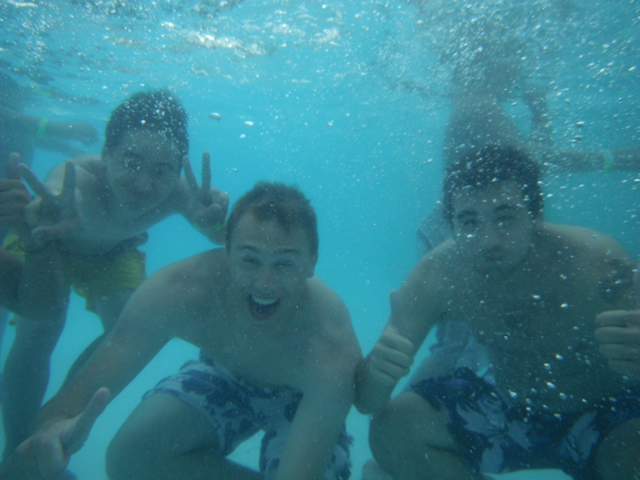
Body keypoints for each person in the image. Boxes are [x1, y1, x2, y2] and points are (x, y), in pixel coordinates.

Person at [2, 182, 362, 480]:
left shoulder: (330, 345)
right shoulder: (179, 291)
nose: (265, 283)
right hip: (224, 372)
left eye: (284, 264)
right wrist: (53, 432)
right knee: (130, 459)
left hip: (298, 395)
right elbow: (68, 406)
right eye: (250, 259)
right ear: (227, 251)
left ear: (312, 263)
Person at [356, 145, 640, 480]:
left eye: (505, 217)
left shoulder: (598, 265)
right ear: (452, 225)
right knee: (391, 429)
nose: (488, 239)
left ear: (536, 216)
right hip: (506, 411)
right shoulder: (438, 275)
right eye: (469, 221)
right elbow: (368, 403)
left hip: (604, 415)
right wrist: (378, 371)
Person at [0, 89, 229, 459]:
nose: (145, 184)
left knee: (127, 321)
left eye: (162, 171)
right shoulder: (77, 177)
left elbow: (218, 233)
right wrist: (46, 209)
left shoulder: (178, 192)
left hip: (113, 254)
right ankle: (16, 448)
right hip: (51, 246)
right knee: (40, 329)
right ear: (106, 154)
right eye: (132, 162)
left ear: (176, 169)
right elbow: (56, 194)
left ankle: (59, 420)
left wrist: (215, 221)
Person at [417, 91, 640, 258]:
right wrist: (612, 159)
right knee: (474, 314)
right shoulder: (478, 102)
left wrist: (540, 117)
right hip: (463, 226)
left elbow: (526, 164)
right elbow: (533, 159)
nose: (518, 70)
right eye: (515, 61)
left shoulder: (479, 102)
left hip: (469, 222)